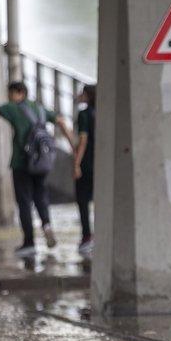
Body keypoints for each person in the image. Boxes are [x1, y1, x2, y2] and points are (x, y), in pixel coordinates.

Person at [0, 81, 76, 256]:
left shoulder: (14, 108)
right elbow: (62, 121)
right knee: (41, 196)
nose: (9, 97)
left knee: (24, 202)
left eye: (10, 93)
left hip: (22, 163)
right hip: (42, 162)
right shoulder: (40, 109)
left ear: (19, 93)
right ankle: (46, 225)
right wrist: (73, 147)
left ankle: (29, 242)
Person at [73, 84, 96, 255]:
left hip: (87, 163)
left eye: (83, 93)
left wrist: (76, 163)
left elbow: (83, 140)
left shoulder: (84, 114)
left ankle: (87, 236)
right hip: (101, 165)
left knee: (82, 200)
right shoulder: (103, 113)